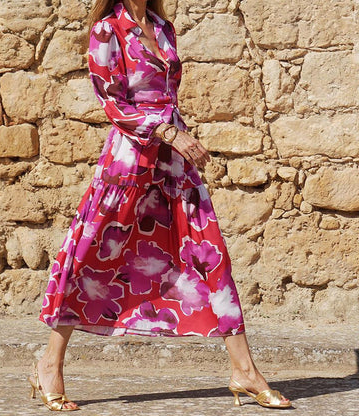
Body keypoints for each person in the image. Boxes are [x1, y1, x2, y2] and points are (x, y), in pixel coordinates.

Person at [28, 0, 291, 411]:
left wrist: (178, 137)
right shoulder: (106, 31)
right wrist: (167, 132)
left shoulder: (161, 26)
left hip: (173, 159)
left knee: (211, 252)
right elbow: (111, 102)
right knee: (91, 255)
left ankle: (244, 370)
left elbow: (168, 92)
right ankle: (49, 363)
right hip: (130, 160)